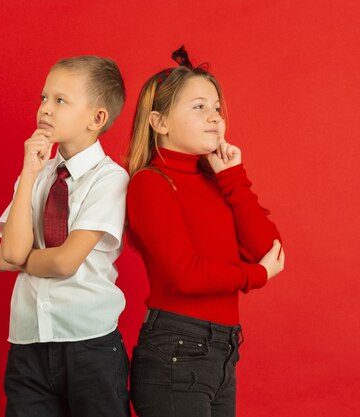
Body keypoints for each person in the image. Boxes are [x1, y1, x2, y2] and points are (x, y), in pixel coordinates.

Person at [125, 46, 285, 417]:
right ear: (159, 122)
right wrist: (255, 275)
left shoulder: (218, 182)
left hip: (222, 350)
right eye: (199, 107)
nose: (215, 117)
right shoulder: (151, 183)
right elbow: (187, 275)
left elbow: (268, 246)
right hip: (177, 352)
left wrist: (233, 178)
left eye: (216, 107)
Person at [0, 55, 130, 417]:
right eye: (43, 98)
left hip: (89, 344)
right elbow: (8, 253)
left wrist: (19, 260)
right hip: (28, 342)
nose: (45, 109)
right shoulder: (35, 175)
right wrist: (29, 171)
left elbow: (65, 261)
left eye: (60, 101)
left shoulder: (109, 179)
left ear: (96, 118)